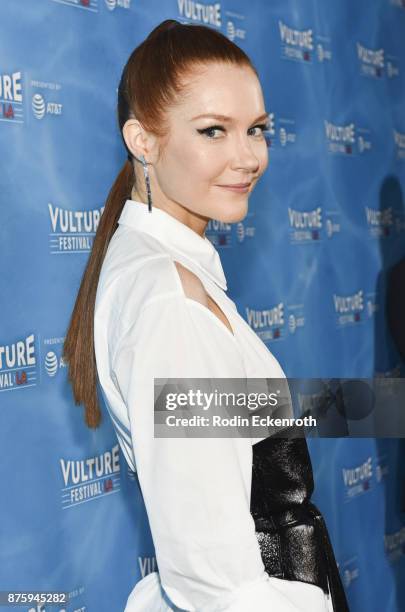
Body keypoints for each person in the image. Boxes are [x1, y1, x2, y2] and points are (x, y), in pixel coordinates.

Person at [63, 19, 349, 612]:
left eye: (258, 130)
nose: (248, 157)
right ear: (144, 140)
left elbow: (236, 431)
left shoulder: (162, 266)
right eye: (213, 131)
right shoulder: (169, 298)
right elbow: (212, 577)